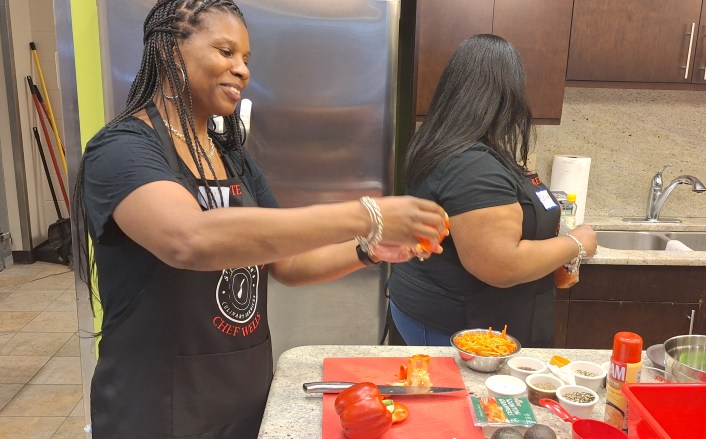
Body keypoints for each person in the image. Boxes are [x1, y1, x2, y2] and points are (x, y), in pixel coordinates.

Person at [72, 1, 448, 438]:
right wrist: (366, 214)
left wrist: (367, 250)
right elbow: (188, 239)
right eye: (226, 51)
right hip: (158, 404)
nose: (242, 70)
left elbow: (286, 264)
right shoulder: (122, 149)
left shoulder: (231, 156)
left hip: (244, 394)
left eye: (246, 59)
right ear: (173, 51)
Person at [387, 34, 597, 348]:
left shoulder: (446, 145)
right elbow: (501, 264)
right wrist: (576, 243)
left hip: (430, 307)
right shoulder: (472, 165)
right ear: (507, 95)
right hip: (459, 328)